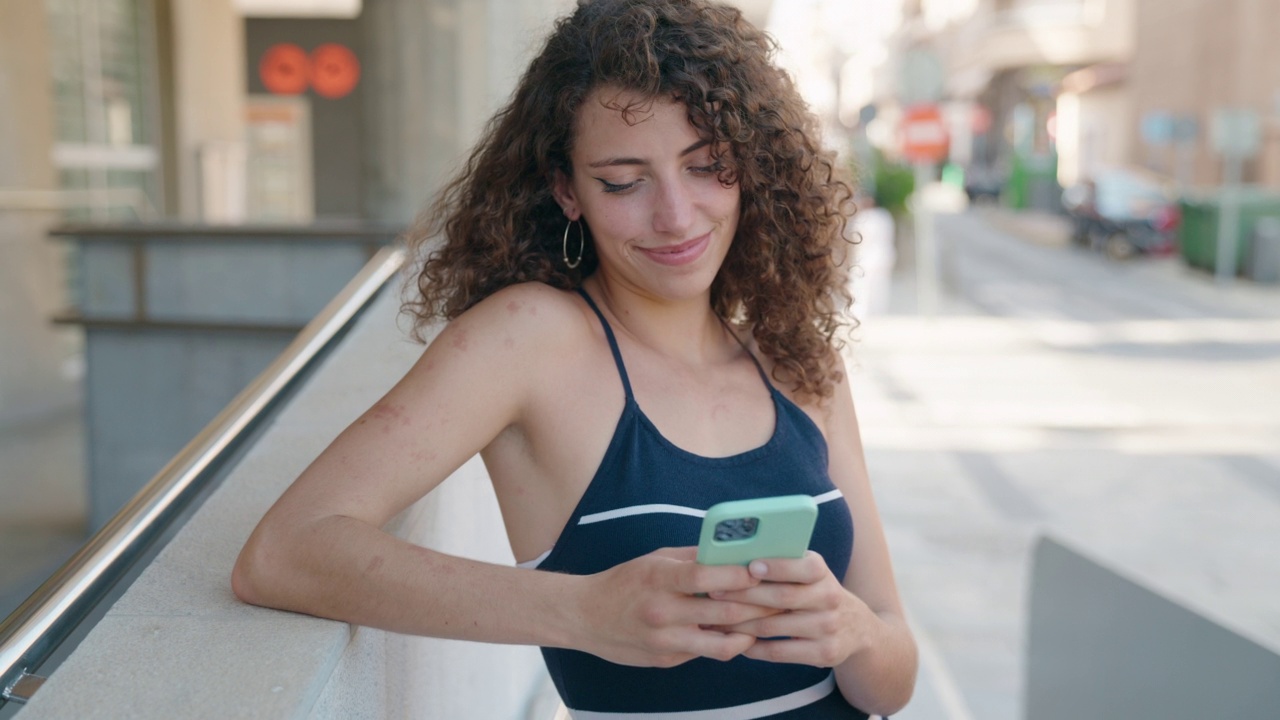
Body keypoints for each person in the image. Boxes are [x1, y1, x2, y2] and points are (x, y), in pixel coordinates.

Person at [232, 0, 918, 716]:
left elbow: (893, 681)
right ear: (566, 190)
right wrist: (584, 611)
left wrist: (853, 631)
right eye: (624, 181)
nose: (677, 216)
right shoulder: (529, 339)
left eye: (708, 165)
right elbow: (284, 552)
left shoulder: (798, 357)